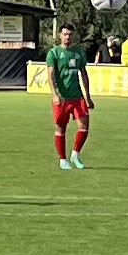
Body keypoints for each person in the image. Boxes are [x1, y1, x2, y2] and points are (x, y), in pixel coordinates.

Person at [42, 21, 95, 169]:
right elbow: (50, 75)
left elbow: (84, 74)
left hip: (77, 96)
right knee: (61, 128)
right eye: (65, 34)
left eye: (70, 35)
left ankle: (75, 154)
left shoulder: (79, 53)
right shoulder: (54, 53)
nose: (67, 37)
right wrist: (54, 94)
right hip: (62, 97)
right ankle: (62, 159)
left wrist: (88, 96)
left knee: (84, 126)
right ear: (60, 35)